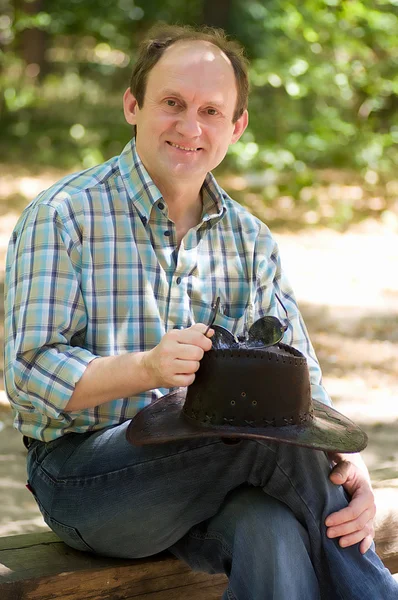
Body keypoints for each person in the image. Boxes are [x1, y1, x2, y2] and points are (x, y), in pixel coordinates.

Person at [4, 23, 397, 600]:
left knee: (274, 532)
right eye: (172, 104)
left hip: (217, 476)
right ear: (132, 106)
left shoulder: (250, 239)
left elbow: (300, 377)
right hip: (86, 479)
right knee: (261, 441)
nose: (190, 127)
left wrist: (342, 468)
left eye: (211, 111)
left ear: (236, 126)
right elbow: (28, 377)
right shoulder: (63, 216)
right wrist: (148, 369)